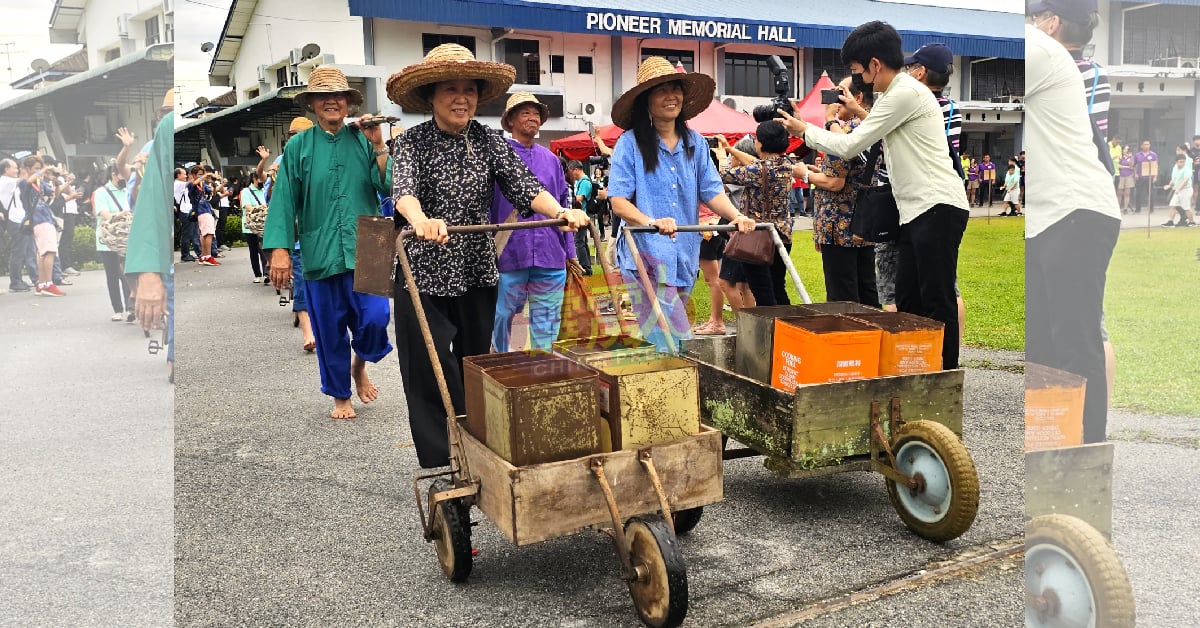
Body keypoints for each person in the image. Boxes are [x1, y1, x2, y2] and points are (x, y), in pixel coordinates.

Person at [386, 43, 589, 468]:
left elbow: (525, 187)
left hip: (477, 266)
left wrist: (561, 211)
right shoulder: (411, 142)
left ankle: (479, 442)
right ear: (431, 96)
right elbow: (403, 193)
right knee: (429, 361)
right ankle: (444, 455)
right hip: (424, 269)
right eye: (451, 89)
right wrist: (422, 219)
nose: (462, 98)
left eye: (470, 89)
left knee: (479, 359)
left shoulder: (488, 140)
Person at [777, 21, 970, 370]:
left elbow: (851, 144)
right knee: (909, 297)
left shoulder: (903, 92)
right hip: (916, 212)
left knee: (936, 296)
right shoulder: (900, 94)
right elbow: (873, 131)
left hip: (937, 207)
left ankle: (945, 373)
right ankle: (914, 366)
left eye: (857, 71)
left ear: (875, 65)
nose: (861, 79)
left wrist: (804, 130)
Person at [264, 66, 394, 420]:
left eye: (338, 95)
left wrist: (379, 144)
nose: (331, 102)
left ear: (348, 102)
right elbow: (285, 200)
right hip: (319, 243)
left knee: (376, 318)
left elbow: (388, 187)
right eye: (323, 96)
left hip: (369, 242)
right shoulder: (298, 146)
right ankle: (340, 394)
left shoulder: (364, 138)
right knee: (329, 326)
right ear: (313, 104)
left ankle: (359, 365)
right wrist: (280, 250)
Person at [606, 56, 756, 353]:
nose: (671, 96)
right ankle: (670, 386)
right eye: (661, 90)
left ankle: (662, 387)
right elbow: (619, 202)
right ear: (645, 100)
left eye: (675, 88)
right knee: (670, 337)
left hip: (684, 255)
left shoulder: (696, 143)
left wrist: (736, 215)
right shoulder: (630, 143)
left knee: (666, 335)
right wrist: (652, 221)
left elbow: (711, 190)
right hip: (646, 256)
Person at [1026, 8, 1122, 443]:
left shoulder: (1043, 51)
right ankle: (1056, 448)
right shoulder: (1050, 51)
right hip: (1052, 216)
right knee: (1045, 349)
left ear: (1050, 21)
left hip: (1076, 212)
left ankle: (1087, 456)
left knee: (1074, 344)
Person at [488, 92, 577, 352]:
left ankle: (542, 368)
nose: (533, 118)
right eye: (525, 112)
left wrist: (569, 253)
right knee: (501, 314)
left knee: (547, 320)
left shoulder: (551, 160)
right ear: (511, 120)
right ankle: (499, 364)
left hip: (550, 255)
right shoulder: (497, 157)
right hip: (509, 254)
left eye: (536, 113)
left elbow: (564, 205)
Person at [799, 76, 879, 307]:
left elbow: (836, 182)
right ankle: (872, 340)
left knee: (842, 296)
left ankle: (849, 341)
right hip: (865, 222)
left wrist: (804, 174)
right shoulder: (875, 127)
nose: (833, 102)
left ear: (859, 98)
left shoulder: (844, 131)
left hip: (839, 227)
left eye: (839, 95)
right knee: (867, 292)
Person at [125, 111, 176, 382]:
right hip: (156, 235)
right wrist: (147, 271)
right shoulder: (161, 135)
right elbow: (144, 200)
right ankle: (172, 354)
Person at [93, 164, 133, 320]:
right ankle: (118, 310)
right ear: (114, 174)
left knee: (127, 274)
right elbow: (104, 213)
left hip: (126, 240)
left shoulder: (128, 191)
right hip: (108, 241)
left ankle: (131, 308)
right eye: (123, 174)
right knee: (113, 275)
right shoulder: (101, 192)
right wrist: (123, 216)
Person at [2, 158, 37, 292]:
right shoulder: (5, 181)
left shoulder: (11, 182)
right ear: (6, 169)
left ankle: (20, 280)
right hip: (14, 221)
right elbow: (25, 181)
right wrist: (39, 172)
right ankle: (15, 282)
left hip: (20, 220)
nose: (17, 170)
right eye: (15, 168)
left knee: (27, 250)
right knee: (18, 252)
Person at [239, 170, 268, 281]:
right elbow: (247, 206)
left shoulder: (264, 190)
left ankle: (266, 273)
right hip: (251, 226)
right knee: (254, 250)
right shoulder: (246, 191)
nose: (262, 181)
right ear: (254, 179)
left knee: (264, 249)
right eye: (260, 178)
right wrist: (262, 209)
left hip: (263, 225)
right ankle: (257, 274)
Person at [567, 161, 595, 275]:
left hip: (581, 216)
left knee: (578, 242)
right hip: (580, 215)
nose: (571, 175)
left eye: (571, 172)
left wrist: (570, 196)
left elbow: (579, 198)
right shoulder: (580, 182)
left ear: (576, 170)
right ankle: (587, 267)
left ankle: (585, 268)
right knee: (582, 242)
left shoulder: (585, 182)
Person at [1161, 153, 1196, 227]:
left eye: (1183, 161)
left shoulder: (1187, 169)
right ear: (1176, 162)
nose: (1182, 163)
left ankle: (1192, 222)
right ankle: (1170, 222)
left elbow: (1185, 180)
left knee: (1186, 208)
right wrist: (1169, 185)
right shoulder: (1175, 168)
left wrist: (1179, 189)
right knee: (1172, 205)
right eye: (1180, 162)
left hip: (1186, 190)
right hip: (1177, 190)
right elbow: (1174, 178)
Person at [1132, 139, 1157, 214]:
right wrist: (1135, 174)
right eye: (1145, 144)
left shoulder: (1153, 155)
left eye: (1148, 144)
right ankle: (1137, 208)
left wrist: (1155, 176)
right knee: (1138, 193)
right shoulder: (1137, 155)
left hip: (1149, 177)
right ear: (1141, 146)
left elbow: (1155, 165)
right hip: (1140, 176)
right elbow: (1134, 165)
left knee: (1150, 193)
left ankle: (1151, 208)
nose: (1146, 146)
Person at [1117, 146, 1135, 212]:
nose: (1126, 150)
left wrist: (1130, 157)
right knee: (1119, 192)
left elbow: (1131, 166)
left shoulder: (1131, 157)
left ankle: (1125, 208)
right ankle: (1117, 207)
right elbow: (1118, 165)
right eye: (1125, 149)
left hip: (1129, 175)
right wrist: (1126, 167)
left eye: (1127, 149)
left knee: (1127, 193)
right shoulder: (1120, 157)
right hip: (1121, 175)